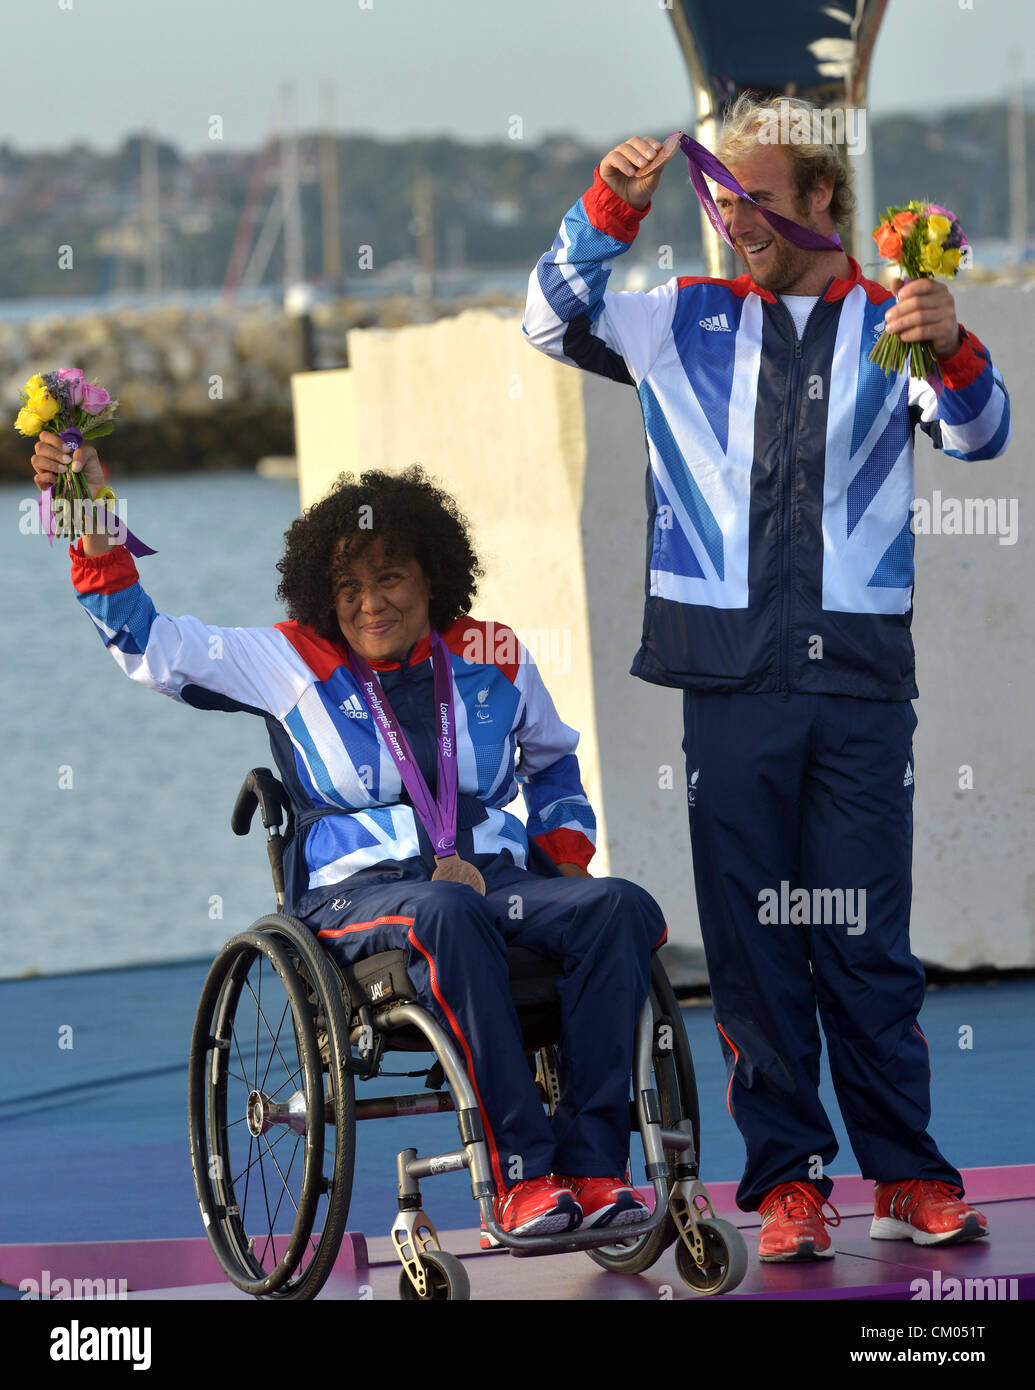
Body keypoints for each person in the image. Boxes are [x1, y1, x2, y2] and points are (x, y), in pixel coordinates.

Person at [523, 93, 1010, 1261]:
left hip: (855, 685)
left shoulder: (891, 325)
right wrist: (610, 204)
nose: (733, 218)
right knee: (750, 947)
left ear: (823, 202)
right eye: (719, 196)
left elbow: (983, 433)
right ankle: (788, 1180)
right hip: (726, 683)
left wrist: (950, 342)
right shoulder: (677, 318)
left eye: (758, 199)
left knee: (866, 945)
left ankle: (909, 1174)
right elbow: (547, 319)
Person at [29, 443, 669, 1240]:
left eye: (390, 578)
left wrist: (566, 865)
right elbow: (148, 648)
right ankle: (521, 1180)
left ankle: (596, 1168)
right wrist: (91, 522)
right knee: (445, 914)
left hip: (494, 884)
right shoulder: (289, 658)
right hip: (354, 900)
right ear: (320, 597)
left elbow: (551, 760)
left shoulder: (492, 652)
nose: (371, 603)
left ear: (432, 577)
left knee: (617, 909)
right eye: (348, 588)